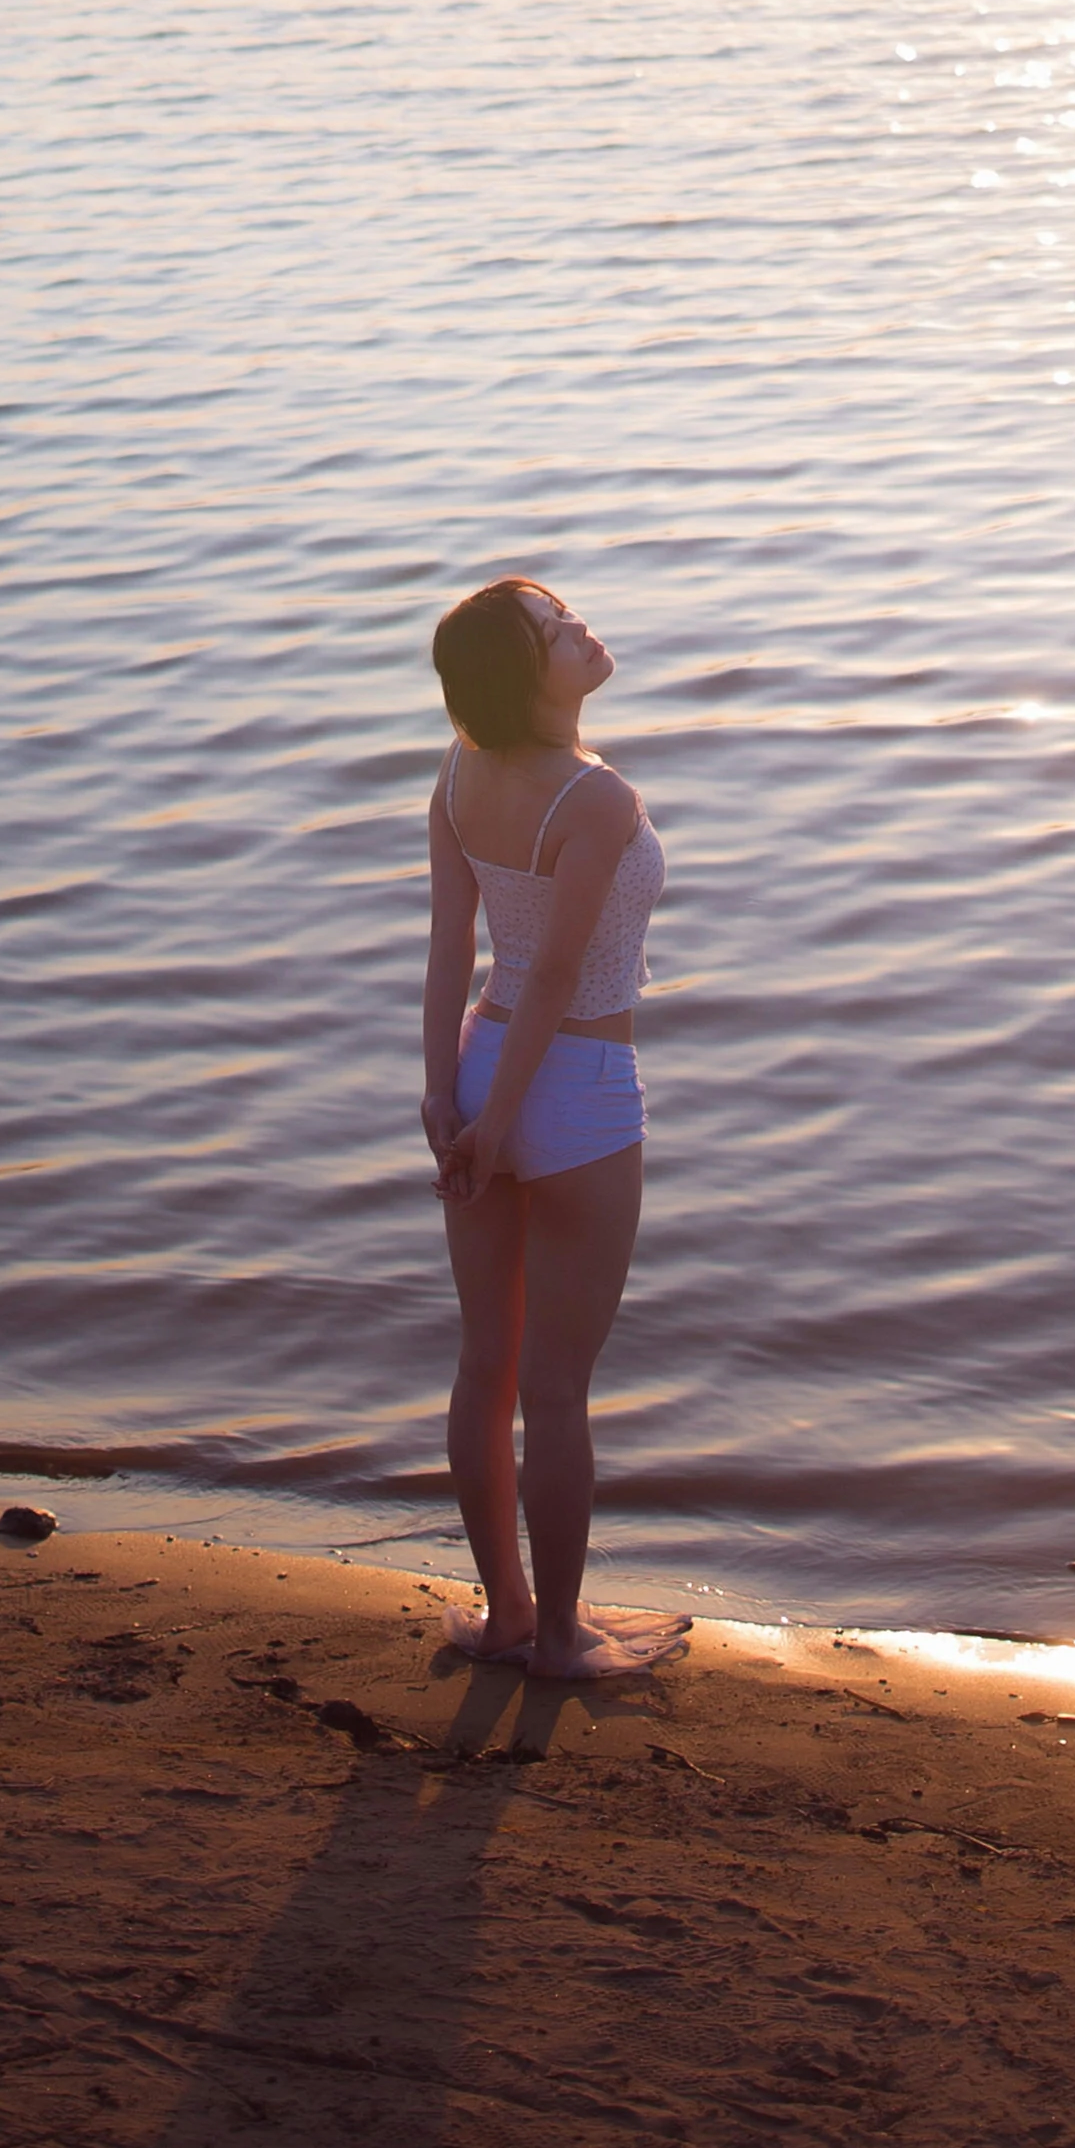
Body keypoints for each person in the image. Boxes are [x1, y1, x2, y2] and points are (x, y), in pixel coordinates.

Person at [420, 570, 686, 1685]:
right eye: (553, 627)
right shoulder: (597, 800)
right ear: (523, 677)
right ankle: (565, 1636)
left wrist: (449, 1101)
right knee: (556, 1388)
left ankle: (508, 1614)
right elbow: (564, 973)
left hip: (485, 1069)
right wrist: (505, 1115)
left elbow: (453, 954)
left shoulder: (458, 773)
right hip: (573, 1089)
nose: (580, 626)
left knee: (488, 1366)